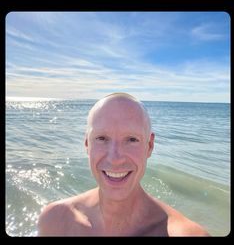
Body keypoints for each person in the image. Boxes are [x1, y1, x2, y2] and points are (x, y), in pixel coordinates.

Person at [37, 92, 210, 236]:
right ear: (87, 145)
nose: (115, 158)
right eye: (102, 138)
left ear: (149, 146)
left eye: (131, 139)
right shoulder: (55, 221)